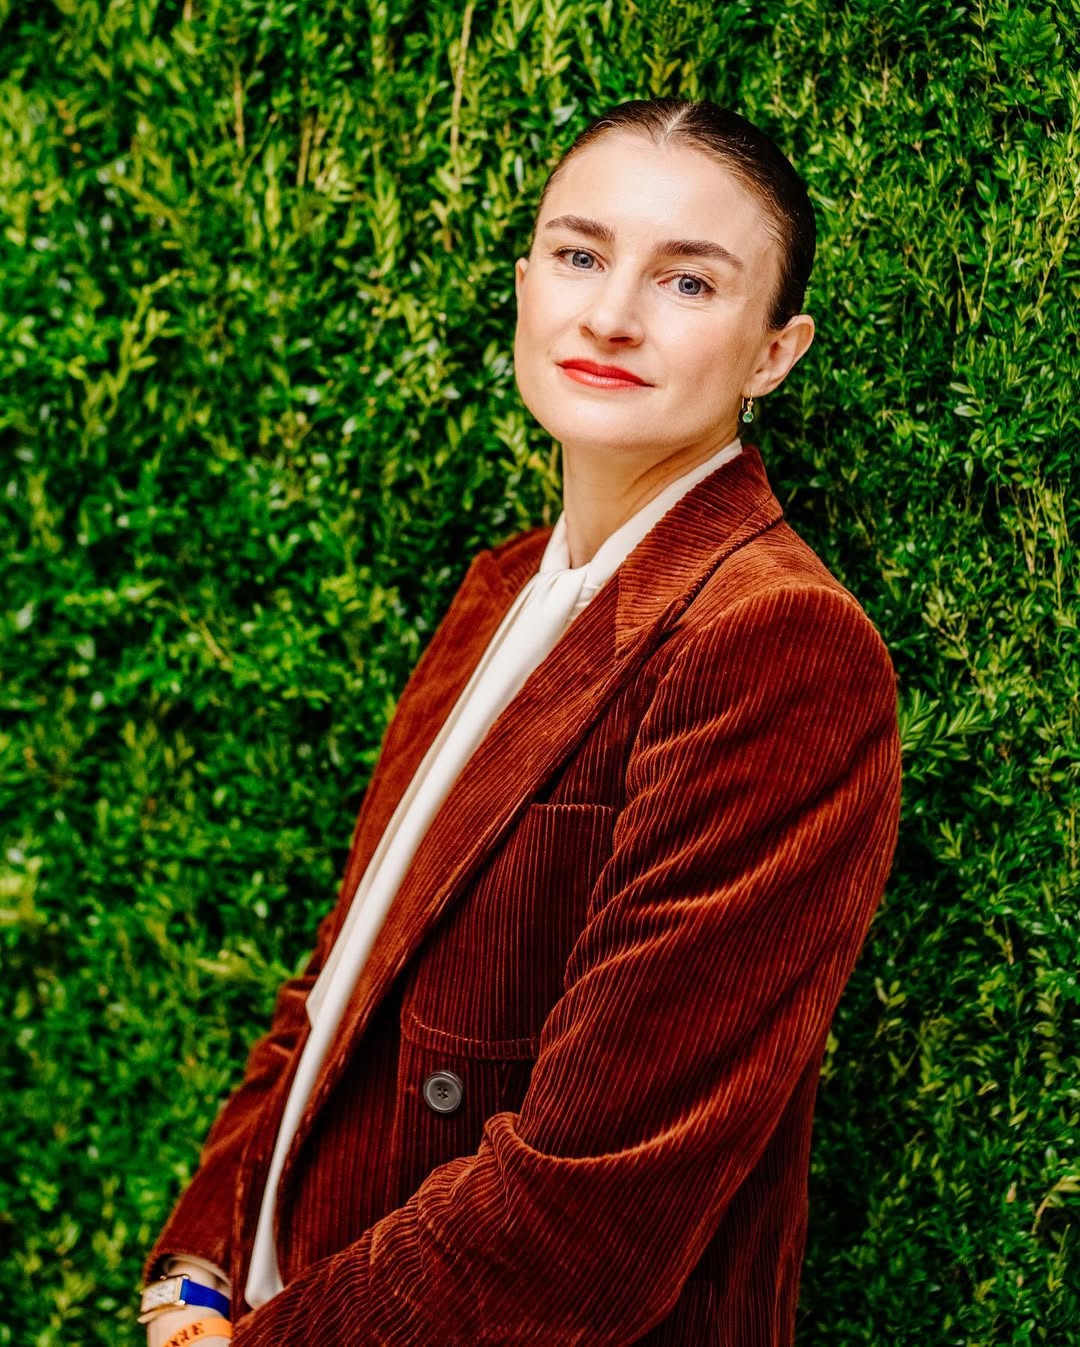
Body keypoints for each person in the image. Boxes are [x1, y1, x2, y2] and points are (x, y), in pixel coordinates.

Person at [139, 98, 901, 1346]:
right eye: (580, 254)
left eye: (689, 282)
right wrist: (193, 1268)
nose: (611, 315)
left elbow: (598, 1199)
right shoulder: (503, 587)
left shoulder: (774, 640)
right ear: (525, 283)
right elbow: (339, 982)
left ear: (775, 353)